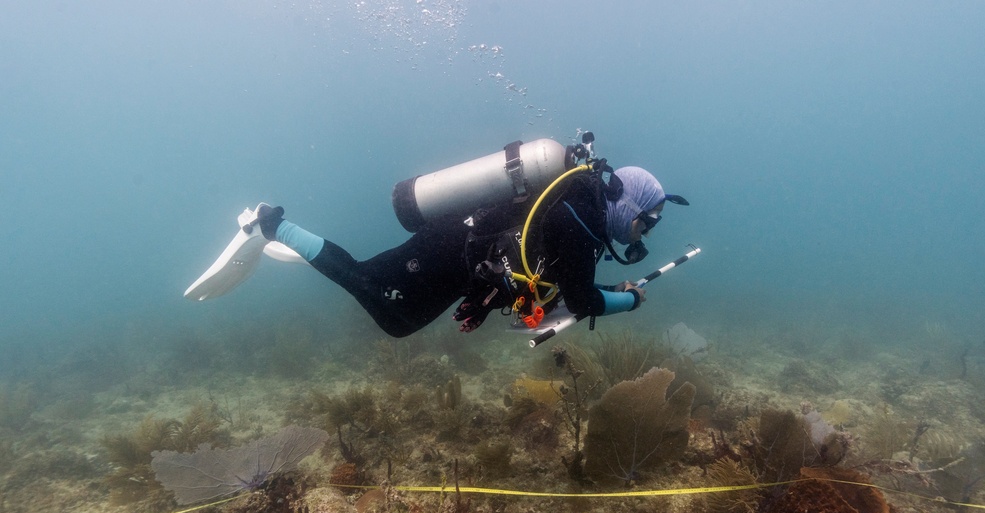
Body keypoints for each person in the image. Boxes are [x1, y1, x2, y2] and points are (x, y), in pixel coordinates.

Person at [188, 157, 687, 339]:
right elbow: (581, 300)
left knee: (398, 317)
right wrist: (630, 299)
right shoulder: (578, 217)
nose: (644, 234)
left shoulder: (581, 211)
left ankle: (308, 252)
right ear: (629, 204)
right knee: (389, 309)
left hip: (459, 259)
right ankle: (271, 226)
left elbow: (531, 267)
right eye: (647, 221)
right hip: (450, 246)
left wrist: (485, 299)